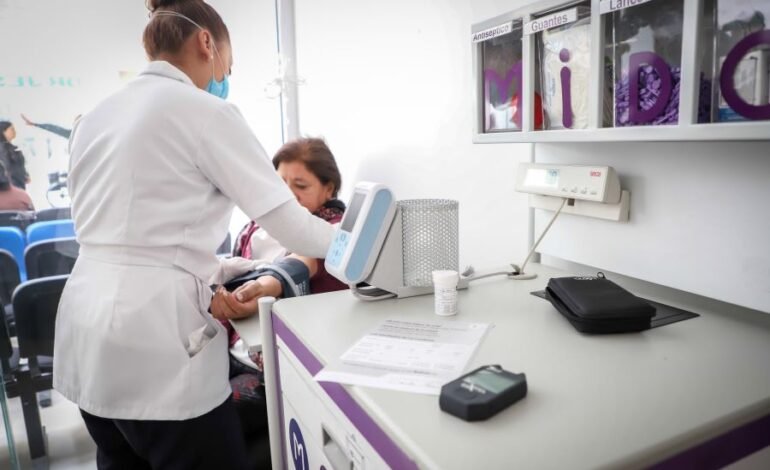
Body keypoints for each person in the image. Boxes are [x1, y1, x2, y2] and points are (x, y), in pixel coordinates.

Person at [53, 1, 335, 468]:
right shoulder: (207, 113)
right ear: (207, 42)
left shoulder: (94, 118)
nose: (224, 76)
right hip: (153, 345)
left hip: (86, 333)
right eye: (229, 64)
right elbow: (291, 223)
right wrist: (361, 249)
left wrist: (229, 268)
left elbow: (136, 241)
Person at [208, 138, 347, 452]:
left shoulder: (333, 228)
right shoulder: (253, 228)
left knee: (212, 422)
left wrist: (269, 284)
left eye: (301, 185)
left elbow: (306, 258)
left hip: (272, 366)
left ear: (328, 189)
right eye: (281, 183)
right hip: (231, 348)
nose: (288, 195)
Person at [0, 121, 31, 189]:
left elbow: (18, 165)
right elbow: (8, 166)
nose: (14, 131)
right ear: (3, 132)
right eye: (11, 129)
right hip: (11, 185)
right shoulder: (3, 149)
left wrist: (25, 174)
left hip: (17, 184)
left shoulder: (11, 147)